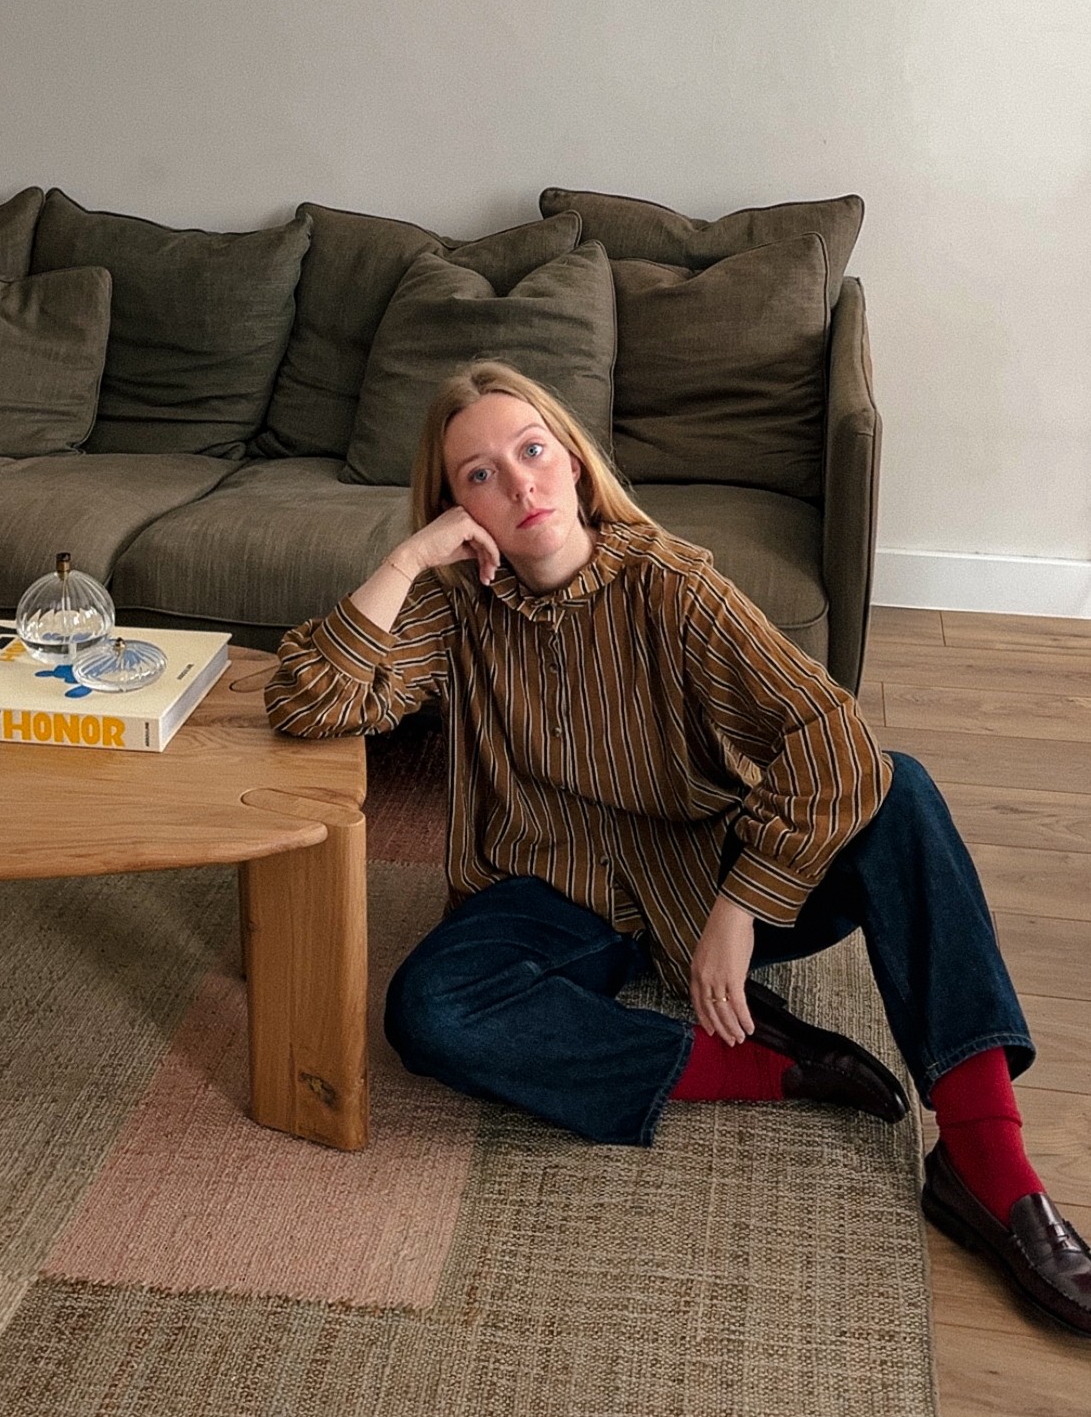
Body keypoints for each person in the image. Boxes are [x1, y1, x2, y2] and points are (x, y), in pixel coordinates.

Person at [266, 360, 1091, 1337]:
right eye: (479, 474)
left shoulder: (671, 585)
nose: (519, 482)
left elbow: (833, 735)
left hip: (707, 872)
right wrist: (407, 560)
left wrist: (743, 905)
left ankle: (985, 1159)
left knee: (898, 789)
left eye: (532, 450)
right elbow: (307, 700)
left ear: (574, 463)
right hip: (548, 887)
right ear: (456, 507)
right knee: (430, 1010)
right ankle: (766, 1061)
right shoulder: (452, 608)